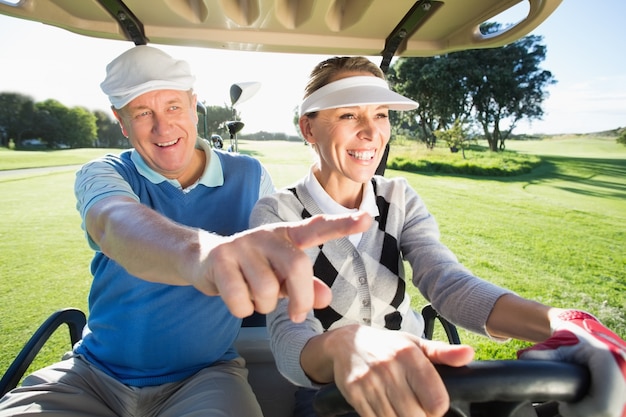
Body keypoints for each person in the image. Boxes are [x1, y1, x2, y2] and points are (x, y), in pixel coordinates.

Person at [0, 46, 372, 416]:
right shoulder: (104, 173)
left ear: (194, 105)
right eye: (143, 113)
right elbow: (114, 221)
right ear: (121, 121)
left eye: (173, 107)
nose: (163, 127)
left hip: (205, 377)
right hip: (93, 374)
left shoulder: (251, 175)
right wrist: (205, 256)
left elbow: (275, 264)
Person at [249, 56, 626, 417]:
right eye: (349, 114)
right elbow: (289, 333)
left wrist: (563, 322)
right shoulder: (277, 213)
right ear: (308, 128)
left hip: (421, 372)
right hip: (330, 392)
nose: (371, 131)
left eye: (380, 115)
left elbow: (448, 283)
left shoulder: (398, 197)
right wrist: (346, 348)